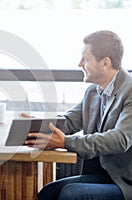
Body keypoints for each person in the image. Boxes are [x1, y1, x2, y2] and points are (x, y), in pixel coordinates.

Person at [24, 30, 131, 199]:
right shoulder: (93, 92)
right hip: (104, 176)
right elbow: (69, 122)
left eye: (85, 59)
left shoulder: (130, 90)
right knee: (48, 193)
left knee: (71, 194)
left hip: (125, 182)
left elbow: (120, 139)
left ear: (105, 62)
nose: (79, 64)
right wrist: (40, 125)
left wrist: (66, 142)